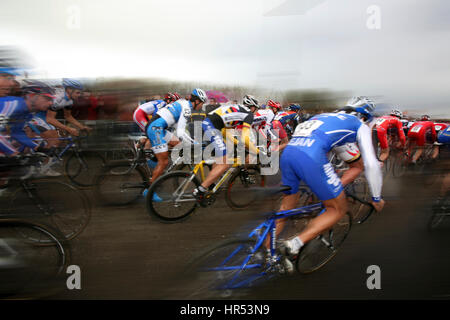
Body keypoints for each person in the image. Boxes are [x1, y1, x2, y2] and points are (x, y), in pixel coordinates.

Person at [277, 96, 385, 272]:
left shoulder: (324, 116)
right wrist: (376, 197)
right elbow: (371, 164)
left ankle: (266, 252)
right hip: (310, 157)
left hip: (290, 153)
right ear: (365, 115)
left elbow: (355, 162)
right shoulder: (360, 125)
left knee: (286, 207)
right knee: (337, 210)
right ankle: (294, 244)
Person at [192, 94, 262, 206]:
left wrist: (237, 143)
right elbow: (245, 138)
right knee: (226, 162)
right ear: (253, 107)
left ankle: (210, 184)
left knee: (221, 159)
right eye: (256, 109)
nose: (255, 111)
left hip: (211, 125)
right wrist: (258, 152)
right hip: (212, 126)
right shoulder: (248, 115)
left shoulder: (239, 109)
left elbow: (226, 131)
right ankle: (200, 190)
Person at [145, 88, 207, 196]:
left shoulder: (183, 102)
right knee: (164, 161)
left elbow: (178, 127)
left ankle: (157, 163)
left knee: (178, 144)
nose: (202, 106)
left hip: (158, 127)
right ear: (197, 101)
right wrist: (196, 144)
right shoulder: (188, 108)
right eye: (202, 103)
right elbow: (181, 132)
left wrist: (190, 141)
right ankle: (149, 191)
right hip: (156, 128)